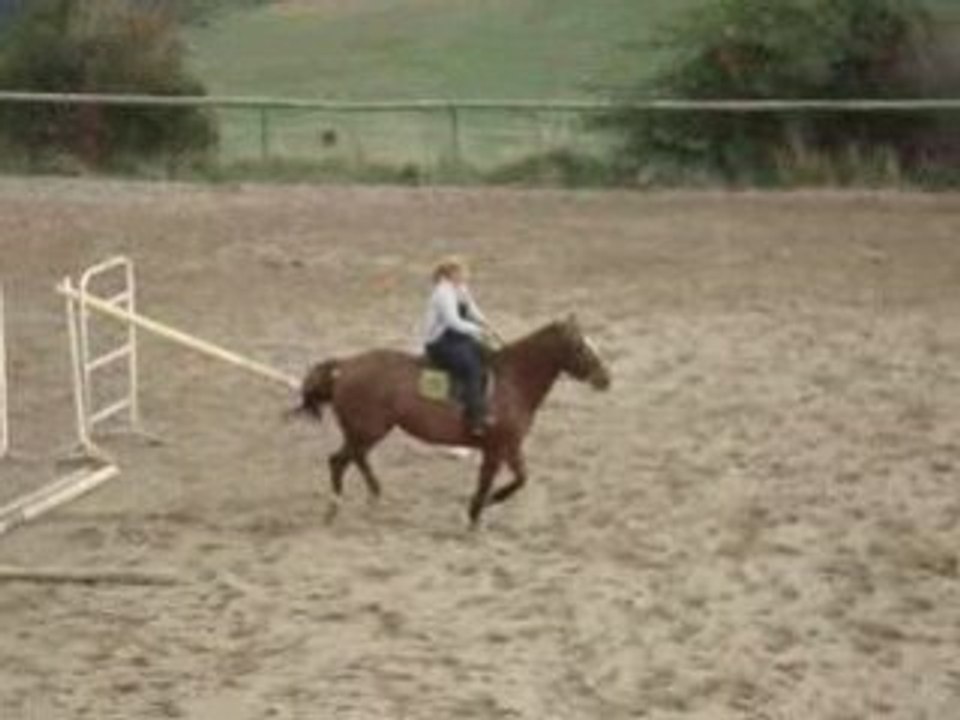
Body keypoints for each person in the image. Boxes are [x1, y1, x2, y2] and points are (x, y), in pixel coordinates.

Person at [422, 256, 493, 436]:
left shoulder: (460, 288)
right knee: (472, 367)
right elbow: (452, 321)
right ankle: (475, 419)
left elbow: (472, 309)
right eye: (463, 272)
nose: (467, 275)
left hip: (457, 336)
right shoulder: (443, 293)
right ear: (452, 274)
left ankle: (479, 401)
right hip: (440, 342)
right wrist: (477, 330)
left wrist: (485, 322)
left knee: (487, 354)